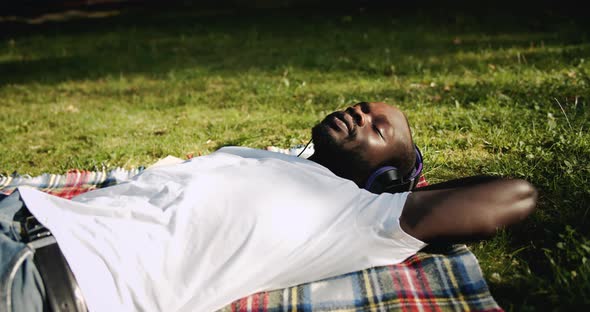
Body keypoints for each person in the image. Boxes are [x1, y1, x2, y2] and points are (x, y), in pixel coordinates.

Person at [0, 102, 537, 312]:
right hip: (20, 214)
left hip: (41, 279)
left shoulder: (360, 216)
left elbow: (516, 195)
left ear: (389, 175)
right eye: (365, 107)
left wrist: (404, 194)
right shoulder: (260, 158)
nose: (359, 113)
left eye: (379, 127)